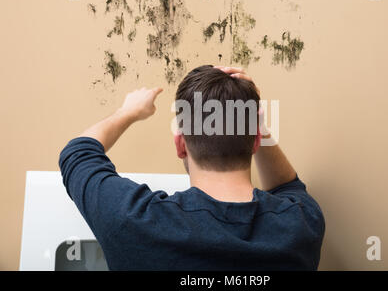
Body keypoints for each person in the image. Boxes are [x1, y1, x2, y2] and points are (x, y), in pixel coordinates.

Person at [59, 65, 325, 270]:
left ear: (181, 145)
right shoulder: (301, 226)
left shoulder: (136, 221)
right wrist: (255, 121)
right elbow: (287, 187)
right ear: (256, 139)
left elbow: (78, 154)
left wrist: (128, 112)